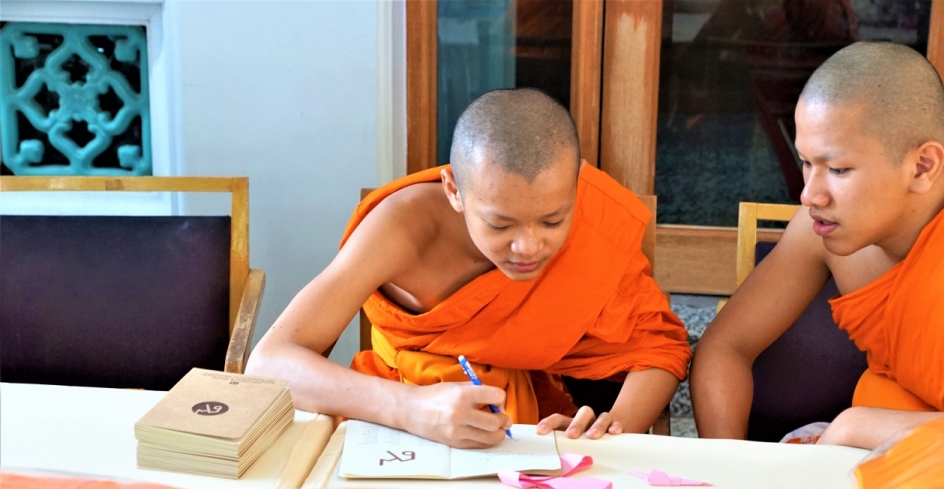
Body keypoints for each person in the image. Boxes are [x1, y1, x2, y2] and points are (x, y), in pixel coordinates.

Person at [247, 89, 690, 449]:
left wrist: (607, 432)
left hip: (529, 437)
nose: (529, 246)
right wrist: (410, 408)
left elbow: (660, 348)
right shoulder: (402, 228)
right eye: (500, 223)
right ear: (454, 190)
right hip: (396, 427)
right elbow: (270, 362)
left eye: (554, 221)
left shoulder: (592, 223)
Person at [691, 42, 944, 449]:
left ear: (922, 167)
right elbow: (725, 348)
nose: (809, 195)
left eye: (837, 169)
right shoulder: (823, 230)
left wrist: (855, 427)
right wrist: (729, 469)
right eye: (806, 162)